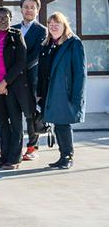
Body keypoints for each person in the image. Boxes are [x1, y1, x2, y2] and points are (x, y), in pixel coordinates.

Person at [0, 7, 30, 170]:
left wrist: (4, 83)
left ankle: (14, 158)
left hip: (12, 88)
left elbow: (21, 63)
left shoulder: (16, 36)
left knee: (15, 123)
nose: (3, 20)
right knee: (2, 123)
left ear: (11, 20)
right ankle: (4, 156)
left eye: (6, 18)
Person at [38, 12, 86, 170]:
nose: (53, 26)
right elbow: (42, 71)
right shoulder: (48, 44)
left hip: (66, 92)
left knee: (63, 125)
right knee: (58, 125)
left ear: (64, 25)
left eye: (56, 23)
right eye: (50, 24)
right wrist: (39, 93)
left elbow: (80, 72)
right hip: (51, 92)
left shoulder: (73, 43)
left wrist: (76, 95)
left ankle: (68, 156)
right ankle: (62, 155)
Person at [14, 0, 48, 161]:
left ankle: (32, 147)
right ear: (21, 9)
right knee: (14, 115)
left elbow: (36, 56)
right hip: (13, 81)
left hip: (31, 79)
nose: (29, 10)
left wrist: (15, 70)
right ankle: (14, 147)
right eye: (26, 7)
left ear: (37, 9)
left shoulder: (42, 31)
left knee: (30, 115)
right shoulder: (13, 29)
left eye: (32, 7)